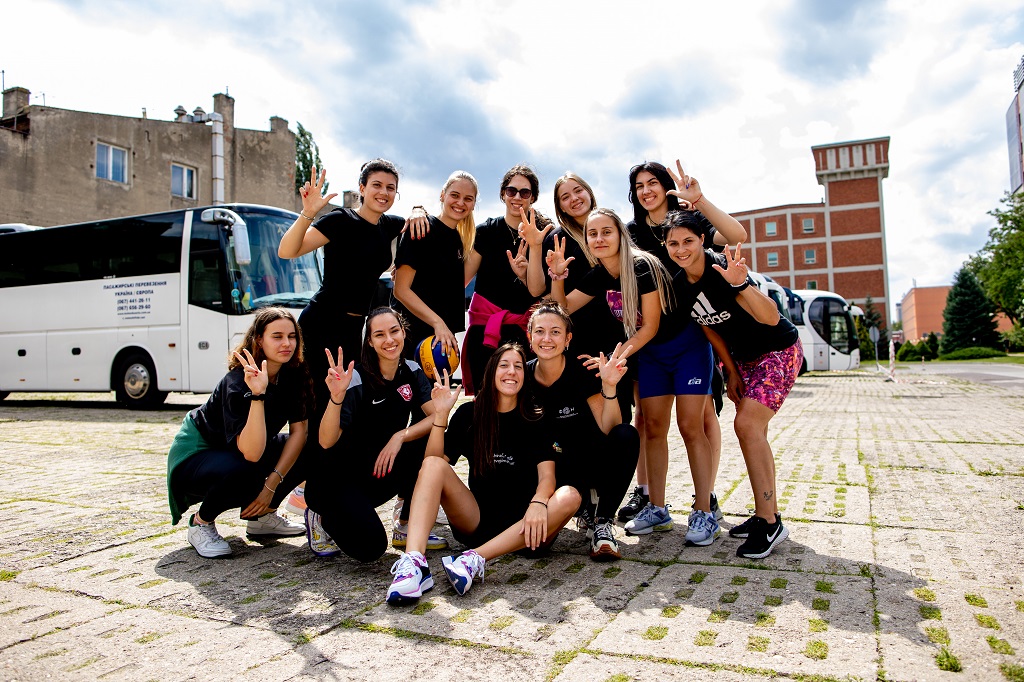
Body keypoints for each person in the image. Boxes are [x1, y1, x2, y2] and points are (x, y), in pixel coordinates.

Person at [277, 160, 428, 513]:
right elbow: (288, 251)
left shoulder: (389, 226)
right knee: (315, 408)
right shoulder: (339, 221)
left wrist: (419, 207)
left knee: (344, 405)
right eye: (377, 185)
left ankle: (327, 486)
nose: (384, 193)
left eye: (391, 188)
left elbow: (413, 221)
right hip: (319, 325)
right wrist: (306, 214)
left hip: (353, 331)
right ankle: (306, 491)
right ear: (361, 187)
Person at [386, 344, 581, 604]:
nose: (511, 372)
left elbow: (548, 478)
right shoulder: (470, 413)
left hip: (527, 530)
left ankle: (474, 559)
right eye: (504, 365)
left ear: (525, 374)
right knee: (433, 465)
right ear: (491, 372)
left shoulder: (535, 416)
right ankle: (414, 564)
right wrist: (441, 414)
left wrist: (538, 503)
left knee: (570, 495)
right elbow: (433, 463)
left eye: (518, 366)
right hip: (476, 520)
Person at [617, 161, 747, 532]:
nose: (646, 191)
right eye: (639, 186)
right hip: (650, 345)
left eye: (653, 183)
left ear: (666, 186)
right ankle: (654, 504)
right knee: (652, 425)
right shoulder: (630, 234)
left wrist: (701, 200)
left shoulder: (688, 220)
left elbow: (736, 236)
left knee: (696, 425)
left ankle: (704, 506)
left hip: (692, 338)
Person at [664, 211, 802, 559]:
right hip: (744, 360)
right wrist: (731, 371)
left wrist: (740, 284)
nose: (681, 249)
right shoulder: (681, 284)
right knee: (755, 433)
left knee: (747, 425)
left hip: (777, 349)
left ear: (701, 241)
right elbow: (708, 327)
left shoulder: (721, 269)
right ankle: (765, 514)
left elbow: (770, 317)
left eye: (688, 241)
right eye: (673, 243)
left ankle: (770, 523)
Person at [166, 307, 311, 558]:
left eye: (292, 336)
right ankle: (201, 523)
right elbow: (253, 454)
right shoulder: (238, 381)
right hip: (196, 455)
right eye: (277, 336)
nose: (287, 343)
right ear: (259, 340)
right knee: (247, 467)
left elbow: (300, 432)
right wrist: (258, 394)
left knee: (309, 449)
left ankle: (262, 519)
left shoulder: (294, 374)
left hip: (237, 451)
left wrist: (271, 487)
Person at [304, 307, 447, 562]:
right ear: (369, 341)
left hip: (379, 470)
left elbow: (436, 417)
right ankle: (321, 514)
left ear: (403, 332)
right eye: (380, 335)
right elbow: (326, 441)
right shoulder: (356, 378)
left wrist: (400, 436)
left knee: (429, 440)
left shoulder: (412, 371)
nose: (389, 340)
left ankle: (405, 524)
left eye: (394, 331)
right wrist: (336, 398)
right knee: (371, 549)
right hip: (342, 478)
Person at [524, 302, 639, 560]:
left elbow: (611, 429)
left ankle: (603, 523)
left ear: (568, 339)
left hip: (586, 459)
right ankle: (583, 507)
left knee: (626, 435)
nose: (547, 338)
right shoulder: (521, 376)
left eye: (555, 332)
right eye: (539, 331)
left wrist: (609, 387)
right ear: (529, 337)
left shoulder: (582, 372)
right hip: (546, 468)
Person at [461, 165, 544, 395]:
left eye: (524, 193)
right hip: (486, 331)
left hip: (526, 332)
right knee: (484, 402)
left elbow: (541, 291)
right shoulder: (486, 232)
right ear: (502, 194)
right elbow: (460, 279)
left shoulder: (543, 234)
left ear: (533, 197)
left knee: (525, 403)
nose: (517, 197)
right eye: (511, 191)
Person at [393, 170, 477, 359]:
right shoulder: (421, 228)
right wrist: (438, 323)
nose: (460, 203)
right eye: (455, 195)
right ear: (442, 195)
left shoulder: (460, 240)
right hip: (411, 338)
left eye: (468, 198)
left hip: (439, 343)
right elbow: (400, 289)